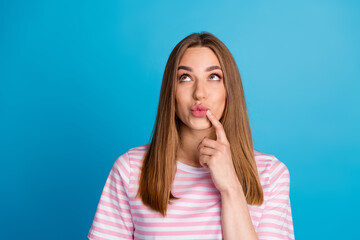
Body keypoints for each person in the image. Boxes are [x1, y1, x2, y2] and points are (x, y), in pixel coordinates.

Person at [88, 32, 294, 240]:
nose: (199, 93)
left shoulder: (270, 174)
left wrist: (231, 188)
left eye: (213, 77)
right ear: (171, 91)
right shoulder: (131, 169)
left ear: (229, 89)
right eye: (185, 78)